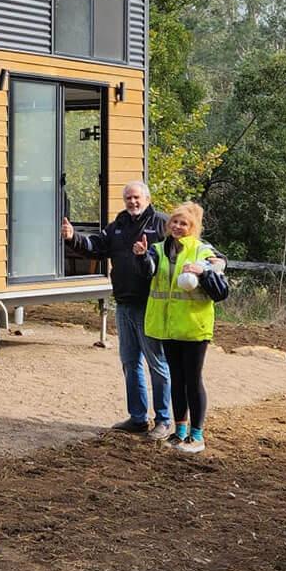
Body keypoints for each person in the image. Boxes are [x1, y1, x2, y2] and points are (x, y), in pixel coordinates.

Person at [61, 181, 173, 440]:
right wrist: (72, 237)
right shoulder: (119, 225)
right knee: (130, 363)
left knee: (157, 364)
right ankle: (138, 418)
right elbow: (97, 246)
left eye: (136, 198)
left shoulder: (162, 224)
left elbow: (185, 249)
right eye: (128, 198)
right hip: (124, 303)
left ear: (147, 198)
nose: (132, 202)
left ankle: (164, 420)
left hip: (151, 305)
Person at [141, 201, 224, 455]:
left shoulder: (202, 251)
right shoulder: (158, 249)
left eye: (183, 223)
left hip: (195, 327)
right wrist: (141, 257)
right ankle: (180, 431)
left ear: (193, 228)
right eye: (174, 222)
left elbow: (220, 277)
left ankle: (197, 436)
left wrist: (204, 270)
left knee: (192, 379)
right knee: (176, 380)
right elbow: (147, 270)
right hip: (169, 326)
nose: (177, 226)